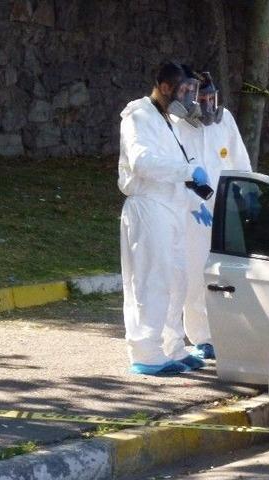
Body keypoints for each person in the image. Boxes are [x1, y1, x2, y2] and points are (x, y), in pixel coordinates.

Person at [118, 61, 210, 375]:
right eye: (184, 89)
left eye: (192, 90)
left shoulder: (166, 120)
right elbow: (142, 162)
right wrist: (186, 172)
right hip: (148, 208)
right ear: (166, 87)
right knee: (151, 281)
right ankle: (146, 352)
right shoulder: (139, 115)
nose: (189, 97)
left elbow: (177, 163)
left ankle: (172, 346)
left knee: (177, 279)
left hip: (170, 208)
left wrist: (194, 194)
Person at [172, 71, 251, 361]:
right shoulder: (177, 124)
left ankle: (233, 330)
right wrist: (192, 200)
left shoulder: (224, 119)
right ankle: (202, 336)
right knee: (195, 271)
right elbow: (175, 168)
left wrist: (248, 193)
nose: (207, 104)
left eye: (210, 98)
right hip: (192, 210)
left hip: (225, 205)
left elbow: (239, 159)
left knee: (230, 272)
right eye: (201, 98)